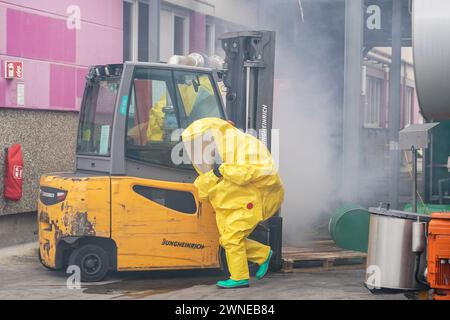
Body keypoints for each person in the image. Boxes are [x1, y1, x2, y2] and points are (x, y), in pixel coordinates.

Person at [182, 118, 284, 289]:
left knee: (231, 239)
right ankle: (263, 254)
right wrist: (216, 174)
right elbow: (203, 188)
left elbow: (253, 172)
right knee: (228, 240)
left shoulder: (244, 146)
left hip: (247, 203)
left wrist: (222, 171)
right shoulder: (218, 157)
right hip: (229, 206)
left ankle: (239, 277)